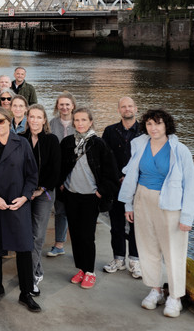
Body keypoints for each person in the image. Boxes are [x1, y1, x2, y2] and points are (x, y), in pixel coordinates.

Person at [118, 108, 194, 318]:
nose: (153, 128)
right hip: (143, 199)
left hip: (170, 204)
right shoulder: (140, 144)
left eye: (158, 124)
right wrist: (128, 205)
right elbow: (132, 176)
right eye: (149, 124)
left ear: (166, 126)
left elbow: (190, 186)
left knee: (173, 251)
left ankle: (175, 296)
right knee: (147, 247)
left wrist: (187, 217)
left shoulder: (180, 150)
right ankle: (155, 290)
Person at [0, 107, 40, 311]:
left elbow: (32, 175)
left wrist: (25, 197)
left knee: (23, 247)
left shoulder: (22, 144)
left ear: (9, 121)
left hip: (16, 202)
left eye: (1, 121)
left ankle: (26, 292)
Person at [59, 108, 121, 290]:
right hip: (71, 195)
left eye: (83, 120)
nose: (80, 123)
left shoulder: (98, 144)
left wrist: (101, 192)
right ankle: (81, 268)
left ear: (90, 122)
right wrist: (61, 183)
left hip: (90, 197)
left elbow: (111, 173)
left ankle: (90, 272)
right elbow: (61, 165)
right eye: (76, 120)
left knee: (87, 236)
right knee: (76, 235)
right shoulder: (68, 142)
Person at [20, 104, 61, 297]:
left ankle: (32, 276)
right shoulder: (21, 139)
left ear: (44, 120)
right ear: (27, 119)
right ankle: (35, 269)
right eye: (32, 117)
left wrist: (41, 189)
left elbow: (56, 169)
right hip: (24, 193)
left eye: (39, 117)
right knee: (25, 233)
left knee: (37, 234)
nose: (35, 121)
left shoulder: (51, 140)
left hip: (44, 194)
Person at [101, 97, 141, 278]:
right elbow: (105, 158)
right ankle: (118, 259)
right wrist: (118, 177)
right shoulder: (110, 131)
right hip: (116, 185)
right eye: (123, 106)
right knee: (116, 224)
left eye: (130, 106)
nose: (127, 109)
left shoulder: (145, 132)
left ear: (136, 109)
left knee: (137, 225)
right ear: (119, 110)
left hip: (139, 186)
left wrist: (133, 177)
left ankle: (135, 260)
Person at [48, 91, 77, 258]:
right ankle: (59, 244)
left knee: (76, 210)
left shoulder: (79, 121)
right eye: (61, 104)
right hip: (59, 171)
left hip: (76, 171)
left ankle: (79, 243)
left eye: (67, 104)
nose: (64, 107)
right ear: (57, 106)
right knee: (60, 209)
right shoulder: (52, 123)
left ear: (73, 105)